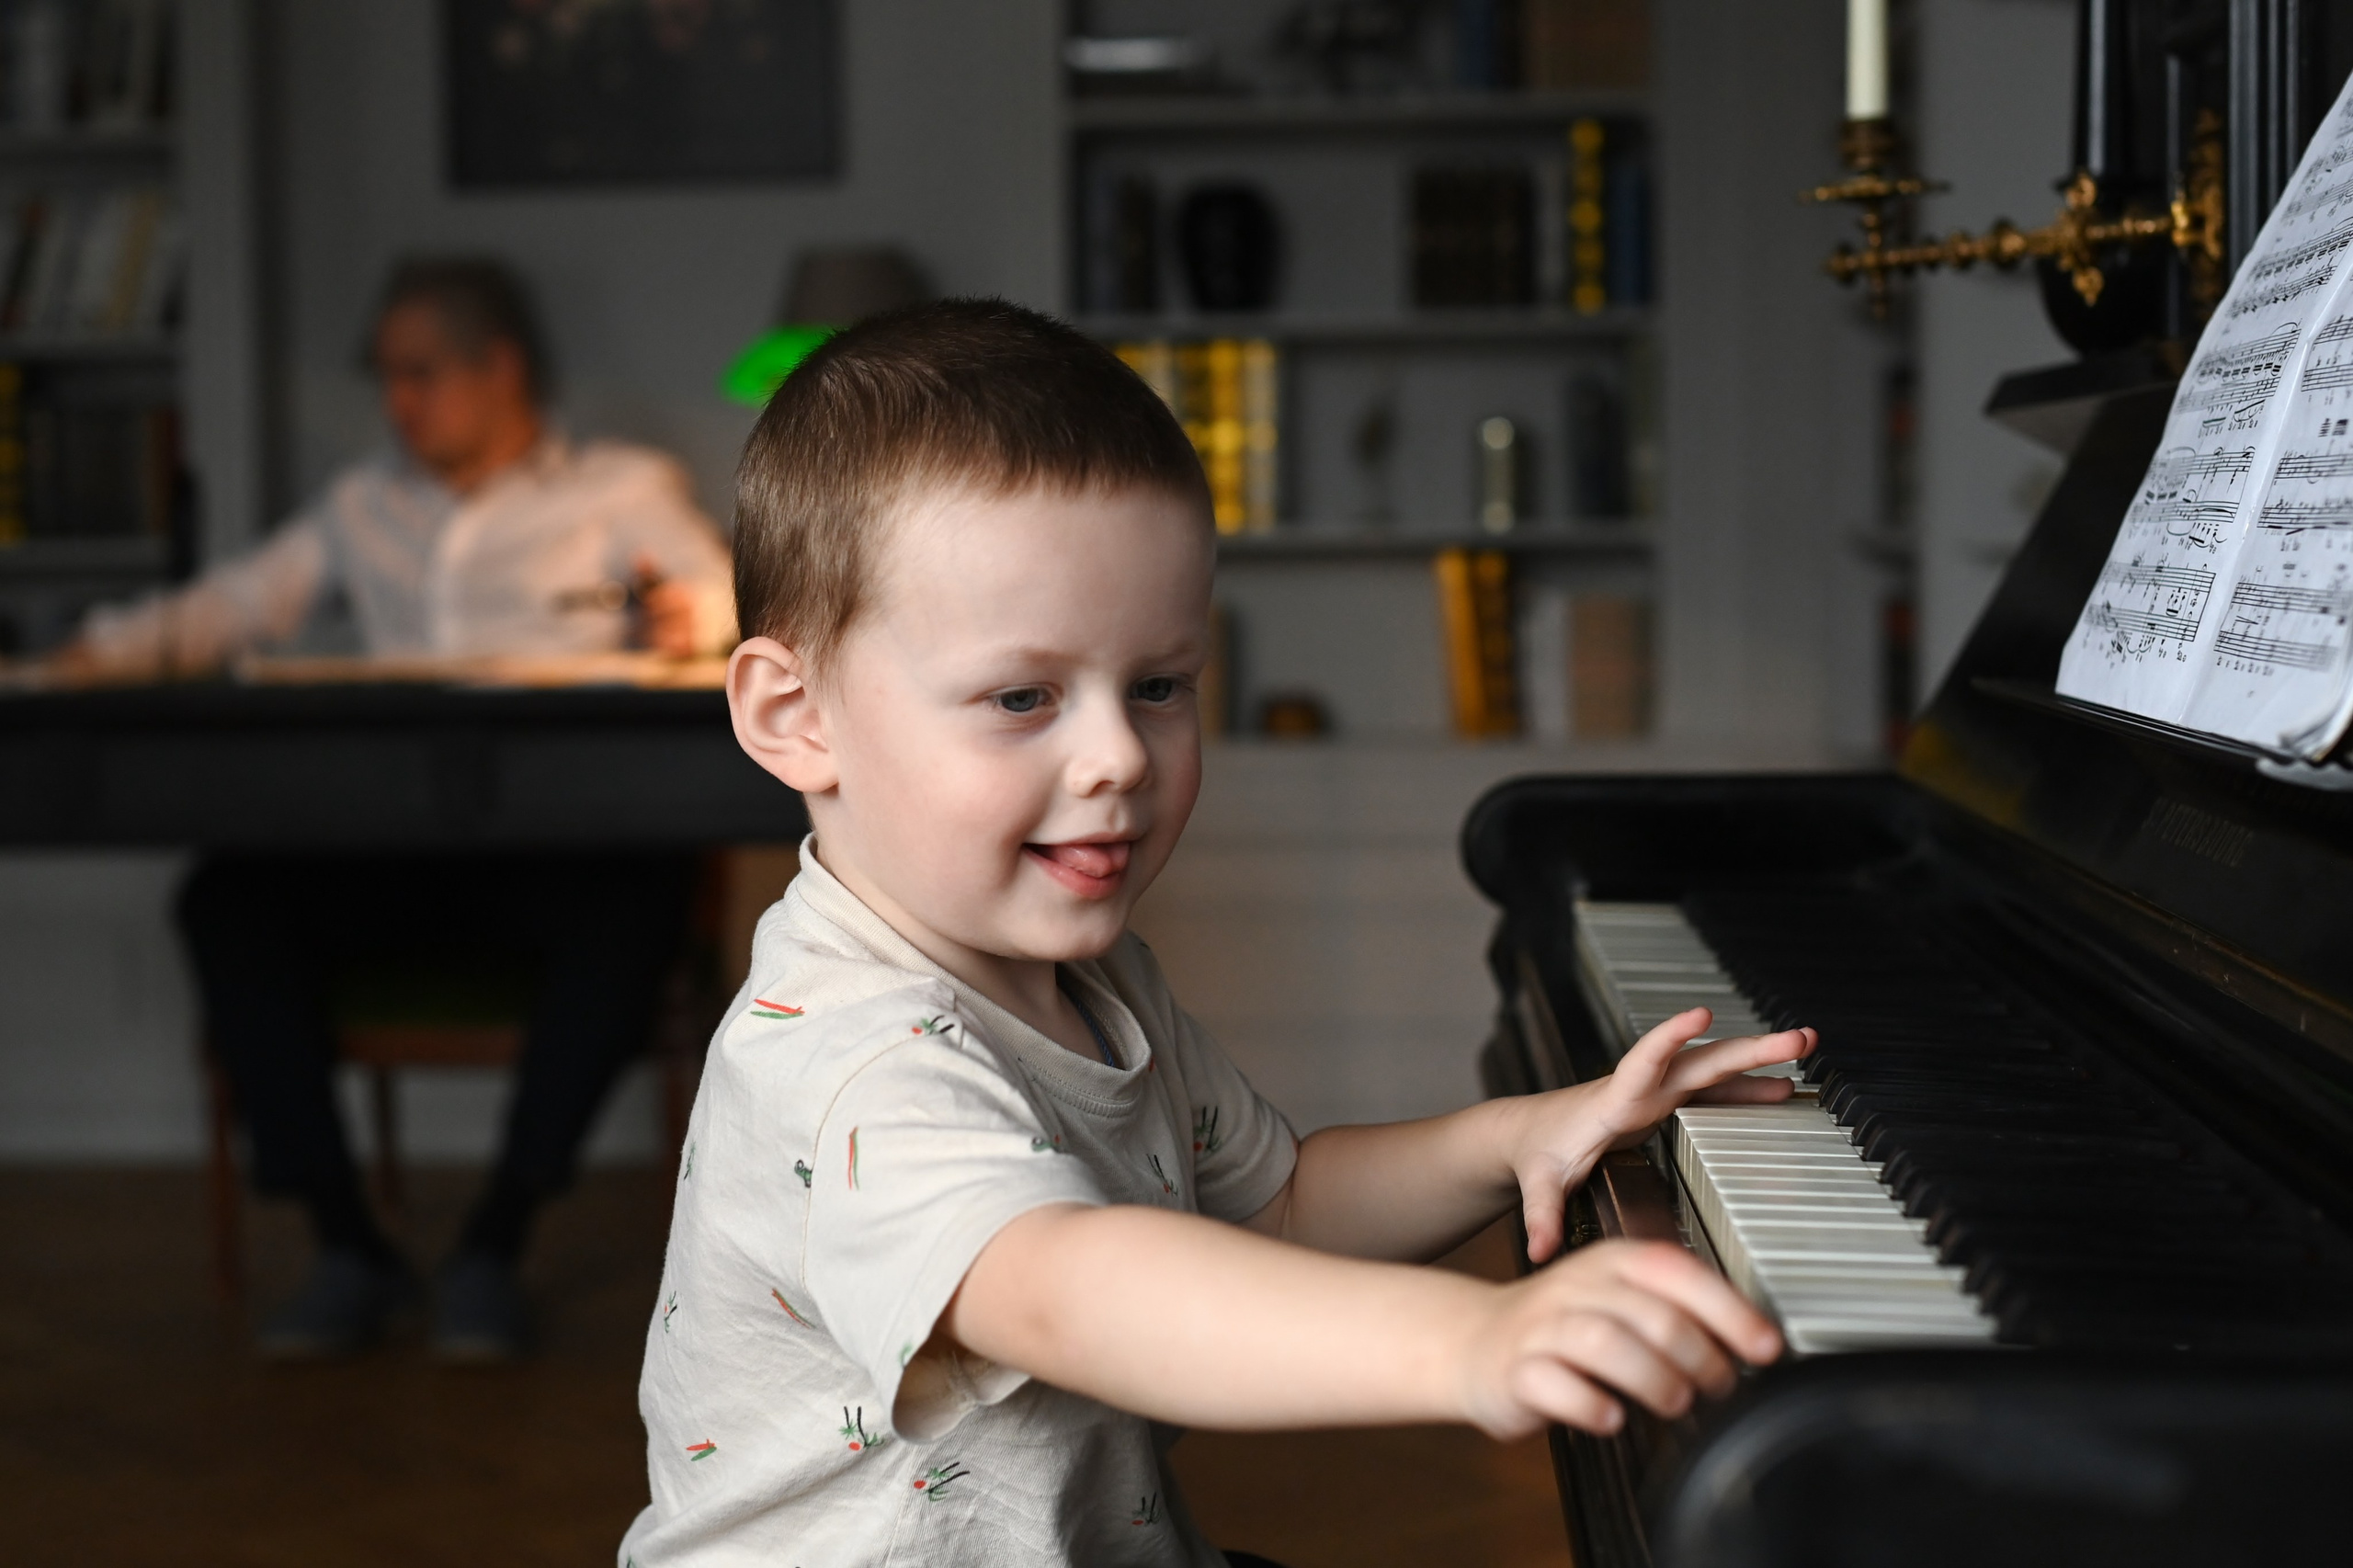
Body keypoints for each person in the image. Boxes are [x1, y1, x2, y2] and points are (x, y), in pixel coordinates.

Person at [620, 299, 1813, 1565]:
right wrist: (1467, 1341)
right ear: (794, 715)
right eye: (1023, 696)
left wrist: (1519, 1133)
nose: (1119, 754)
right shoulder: (845, 1060)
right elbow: (1071, 1289)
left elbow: (1275, 1208)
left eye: (1159, 684)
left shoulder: (1091, 978)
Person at [68, 258, 735, 1360]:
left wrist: (688, 618)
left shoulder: (619, 487)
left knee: (638, 897)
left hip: (553, 860)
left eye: (421, 373)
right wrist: (91, 654)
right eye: (388, 377)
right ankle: (345, 1242)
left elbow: (711, 591)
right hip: (392, 861)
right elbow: (232, 605)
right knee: (227, 898)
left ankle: (495, 1238)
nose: (399, 402)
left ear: (500, 367)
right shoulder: (360, 504)